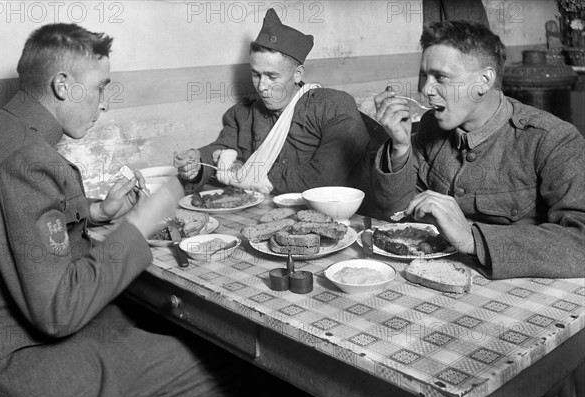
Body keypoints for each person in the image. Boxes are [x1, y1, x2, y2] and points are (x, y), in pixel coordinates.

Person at [0, 23, 238, 397]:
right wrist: (142, 221)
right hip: (17, 362)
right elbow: (58, 310)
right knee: (212, 368)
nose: (105, 103)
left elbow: (14, 215)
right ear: (63, 85)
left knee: (154, 327)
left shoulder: (3, 129)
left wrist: (96, 210)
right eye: (101, 87)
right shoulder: (28, 159)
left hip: (8, 339)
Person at [370, 20, 585, 280]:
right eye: (424, 76)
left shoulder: (552, 140)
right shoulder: (430, 127)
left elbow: (580, 241)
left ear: (484, 81)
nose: (426, 90)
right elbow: (395, 213)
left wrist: (474, 240)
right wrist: (400, 147)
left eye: (441, 77)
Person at [174, 8, 370, 195]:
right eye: (256, 75)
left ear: (297, 74)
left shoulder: (332, 107)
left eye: (272, 77)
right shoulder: (243, 115)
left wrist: (251, 174)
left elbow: (326, 177)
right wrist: (196, 164)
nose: (262, 87)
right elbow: (221, 150)